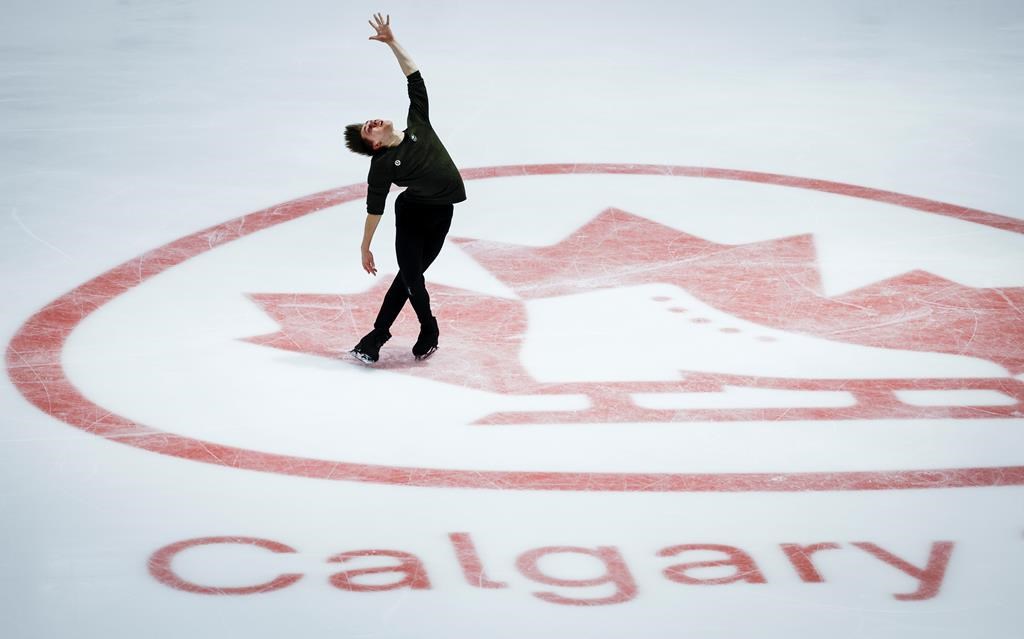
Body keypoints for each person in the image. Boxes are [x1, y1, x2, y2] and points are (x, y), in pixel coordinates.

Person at [343, 13, 466, 363]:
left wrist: (392, 42)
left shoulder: (418, 122)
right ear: (376, 146)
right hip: (411, 214)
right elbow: (374, 208)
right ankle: (412, 331)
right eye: (369, 130)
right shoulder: (381, 166)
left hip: (441, 213)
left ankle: (387, 333)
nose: (371, 123)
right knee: (411, 275)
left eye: (368, 122)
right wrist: (365, 247)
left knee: (409, 277)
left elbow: (414, 75)